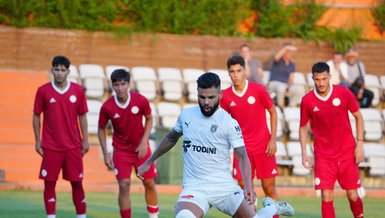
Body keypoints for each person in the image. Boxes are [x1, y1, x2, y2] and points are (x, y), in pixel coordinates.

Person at [138, 72, 294, 218]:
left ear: (220, 95)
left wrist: (248, 185)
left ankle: (272, 207)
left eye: (211, 97)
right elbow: (171, 138)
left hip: (224, 188)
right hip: (195, 188)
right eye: (202, 97)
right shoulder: (187, 115)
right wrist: (149, 161)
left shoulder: (229, 123)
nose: (206, 102)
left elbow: (242, 155)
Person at [299, 62, 364, 218]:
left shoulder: (343, 93)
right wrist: (303, 153)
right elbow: (302, 127)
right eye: (317, 79)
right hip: (323, 156)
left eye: (324, 78)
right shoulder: (307, 100)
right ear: (312, 79)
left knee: (353, 195)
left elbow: (358, 117)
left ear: (330, 77)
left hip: (347, 152)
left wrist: (360, 144)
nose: (321, 83)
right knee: (326, 196)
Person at [220, 55, 281, 217]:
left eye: (239, 71)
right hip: (241, 150)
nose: (236, 75)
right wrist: (225, 151)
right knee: (244, 192)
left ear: (245, 71)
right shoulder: (225, 96)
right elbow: (223, 126)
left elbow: (273, 112)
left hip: (263, 147)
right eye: (232, 71)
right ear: (228, 73)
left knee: (269, 189)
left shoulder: (259, 90)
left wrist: (273, 139)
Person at [98, 69, 159, 218]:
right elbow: (101, 129)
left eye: (123, 84)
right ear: (112, 86)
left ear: (129, 84)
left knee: (149, 183)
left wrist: (144, 141)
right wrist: (106, 154)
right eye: (116, 85)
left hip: (141, 150)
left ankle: (154, 216)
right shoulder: (107, 107)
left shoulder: (140, 100)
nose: (120, 88)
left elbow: (149, 119)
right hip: (121, 151)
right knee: (124, 185)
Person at [33, 55, 89, 218]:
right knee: (49, 183)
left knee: (77, 182)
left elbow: (82, 116)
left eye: (62, 70)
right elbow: (36, 115)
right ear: (52, 70)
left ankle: (81, 216)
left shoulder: (78, 91)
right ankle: (51, 216)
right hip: (51, 146)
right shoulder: (43, 90)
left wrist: (85, 139)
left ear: (68, 72)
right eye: (56, 69)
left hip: (73, 145)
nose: (59, 73)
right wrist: (38, 140)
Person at [268, 43, 303, 108]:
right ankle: (281, 106)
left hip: (285, 85)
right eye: (289, 51)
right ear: (284, 51)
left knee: (300, 90)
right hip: (274, 83)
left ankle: (291, 107)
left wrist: (288, 86)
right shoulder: (278, 61)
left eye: (291, 52)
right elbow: (276, 57)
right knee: (281, 87)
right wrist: (286, 47)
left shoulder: (292, 64)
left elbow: (291, 78)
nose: (291, 53)